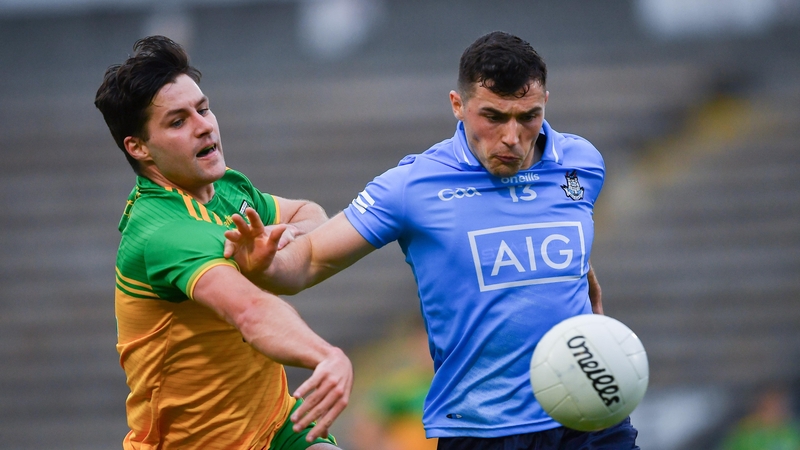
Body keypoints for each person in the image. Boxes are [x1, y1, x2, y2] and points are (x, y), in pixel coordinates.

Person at [224, 31, 639, 449]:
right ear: (458, 106)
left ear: (545, 102)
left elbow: (556, 249)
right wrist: (267, 266)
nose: (512, 136)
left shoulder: (582, 163)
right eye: (493, 117)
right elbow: (312, 257)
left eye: (528, 116)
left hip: (591, 409)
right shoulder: (413, 186)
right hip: (484, 431)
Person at [94, 35, 352, 450]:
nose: (203, 126)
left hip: (276, 427)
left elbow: (308, 213)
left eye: (203, 108)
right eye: (177, 122)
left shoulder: (225, 188)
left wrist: (281, 249)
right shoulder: (163, 232)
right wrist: (325, 356)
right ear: (138, 147)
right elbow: (251, 311)